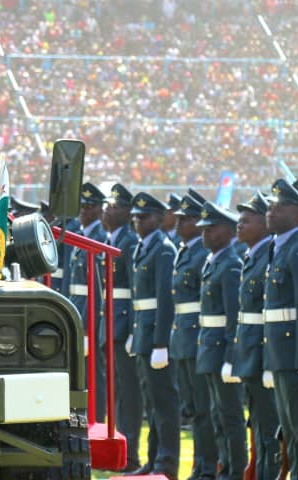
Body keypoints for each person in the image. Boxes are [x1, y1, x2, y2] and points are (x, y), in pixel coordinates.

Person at [126, 192, 180, 480]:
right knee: (151, 402)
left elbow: (164, 300)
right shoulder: (144, 247)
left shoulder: (164, 249)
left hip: (155, 337)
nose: (138, 221)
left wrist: (162, 343)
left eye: (144, 216)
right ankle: (152, 460)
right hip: (143, 333)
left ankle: (167, 462)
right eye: (135, 216)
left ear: (160, 219)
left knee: (164, 403)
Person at [168, 191, 218, 480]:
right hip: (184, 338)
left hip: (198, 337)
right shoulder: (186, 249)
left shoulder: (201, 253)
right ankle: (200, 466)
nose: (178, 223)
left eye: (186, 219)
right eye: (179, 218)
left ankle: (208, 467)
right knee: (195, 410)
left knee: (205, 411)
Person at [196, 200, 247, 480]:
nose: (205, 234)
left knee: (230, 416)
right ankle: (225, 468)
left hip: (221, 351)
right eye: (204, 229)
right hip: (209, 347)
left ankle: (236, 471)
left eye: (211, 229)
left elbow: (233, 317)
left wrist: (231, 357)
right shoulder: (214, 262)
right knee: (217, 415)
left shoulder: (230, 265)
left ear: (229, 232)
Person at [232, 191, 281, 480]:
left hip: (263, 354)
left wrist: (267, 361)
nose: (240, 225)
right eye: (239, 220)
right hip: (249, 353)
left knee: (269, 427)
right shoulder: (254, 255)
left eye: (246, 221)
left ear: (264, 223)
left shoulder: (268, 256)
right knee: (259, 426)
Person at [264, 179, 298, 479]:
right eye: (271, 205)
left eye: (279, 206)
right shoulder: (279, 248)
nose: (271, 210)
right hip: (280, 355)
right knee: (290, 430)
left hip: (295, 357)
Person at [101, 183, 142, 472]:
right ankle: (119, 452)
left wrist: (130, 330)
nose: (108, 210)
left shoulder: (127, 240)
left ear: (128, 212)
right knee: (116, 393)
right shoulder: (113, 237)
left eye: (115, 206)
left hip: (123, 325)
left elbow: (133, 291)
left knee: (128, 393)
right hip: (110, 322)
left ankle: (130, 455)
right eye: (107, 205)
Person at [65, 182, 108, 421]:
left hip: (89, 315)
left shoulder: (100, 238)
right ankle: (81, 416)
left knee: (94, 374)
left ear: (100, 209)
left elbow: (98, 290)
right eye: (82, 206)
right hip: (76, 311)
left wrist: (91, 327)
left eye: (90, 206)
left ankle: (97, 418)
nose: (84, 210)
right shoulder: (81, 236)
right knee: (79, 373)